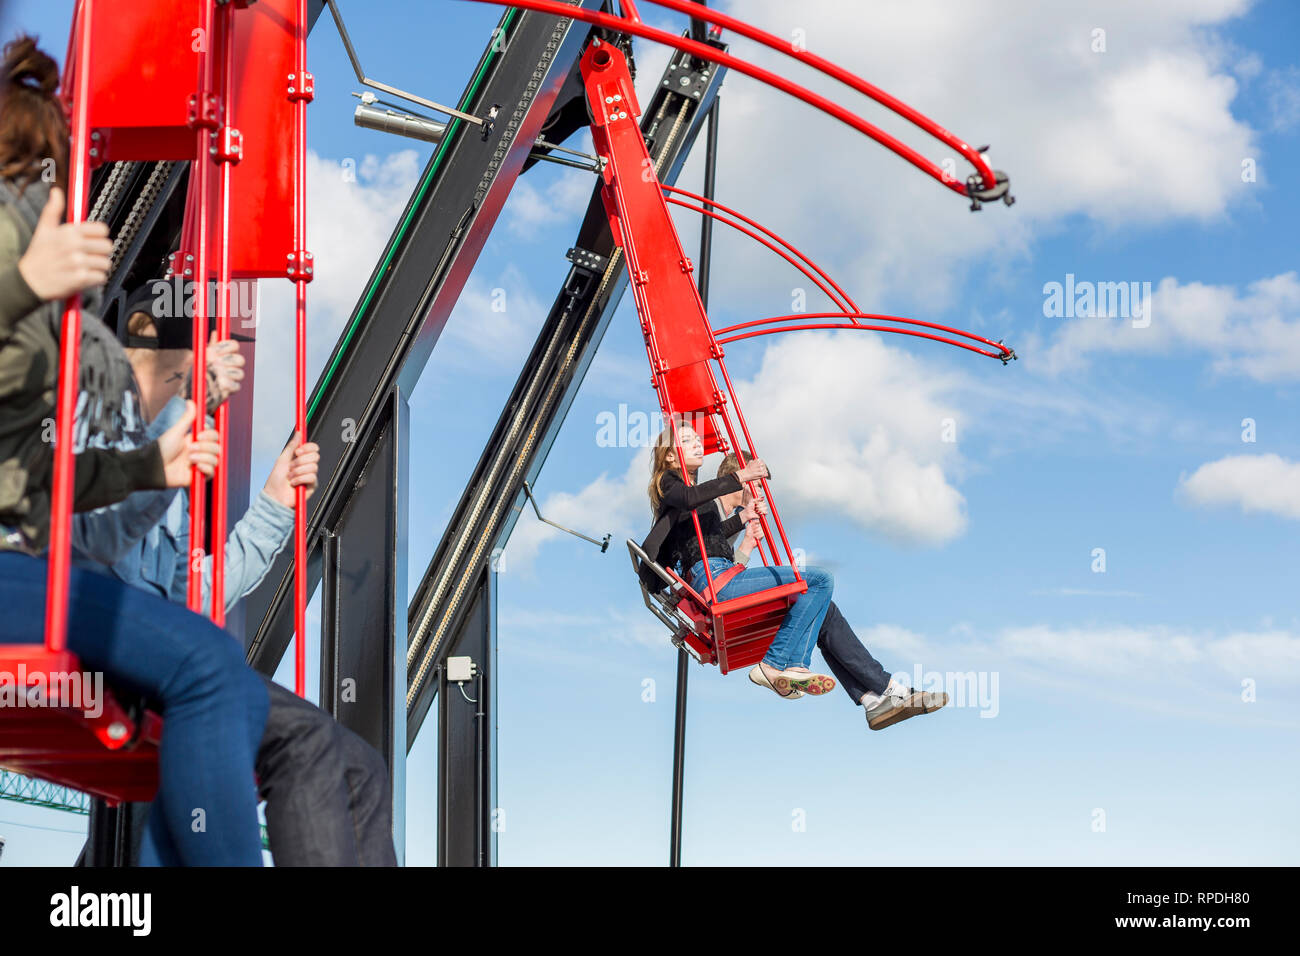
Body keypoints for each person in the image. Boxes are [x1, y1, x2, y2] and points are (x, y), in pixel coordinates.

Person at [0, 34, 268, 865]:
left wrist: (157, 471)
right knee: (212, 673)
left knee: (205, 689)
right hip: (19, 578)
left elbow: (60, 498)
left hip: (34, 570)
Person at [71, 292, 398, 866]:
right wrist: (181, 419)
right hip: (98, 639)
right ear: (144, 332)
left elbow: (189, 597)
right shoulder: (90, 416)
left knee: (363, 771)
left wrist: (274, 503)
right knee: (301, 742)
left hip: (155, 650)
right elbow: (84, 536)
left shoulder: (170, 448)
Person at [714, 452, 949, 729]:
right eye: (758, 485)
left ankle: (873, 698)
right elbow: (708, 565)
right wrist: (743, 523)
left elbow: (727, 566)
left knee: (824, 609)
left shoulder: (731, 518)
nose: (762, 495)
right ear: (742, 479)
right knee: (820, 581)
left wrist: (746, 547)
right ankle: (787, 664)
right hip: (717, 593)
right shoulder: (709, 507)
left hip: (726, 586)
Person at [640, 422, 837, 696]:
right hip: (712, 578)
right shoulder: (670, 483)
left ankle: (794, 666)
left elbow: (708, 537)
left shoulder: (691, 496)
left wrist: (743, 518)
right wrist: (740, 475)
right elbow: (688, 498)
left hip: (719, 572)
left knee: (808, 589)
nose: (697, 443)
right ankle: (777, 663)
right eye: (687, 440)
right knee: (819, 580)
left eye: (697, 439)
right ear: (670, 456)